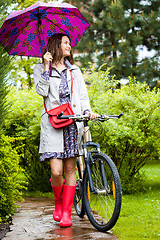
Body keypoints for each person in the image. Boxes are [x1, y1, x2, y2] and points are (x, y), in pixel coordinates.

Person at [34, 33, 98, 228]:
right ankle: (58, 202)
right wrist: (46, 67)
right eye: (65, 43)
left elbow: (82, 95)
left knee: (70, 169)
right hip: (54, 123)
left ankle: (67, 213)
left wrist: (87, 111)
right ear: (56, 45)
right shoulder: (40, 67)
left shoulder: (74, 70)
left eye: (69, 43)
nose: (69, 46)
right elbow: (41, 92)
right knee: (56, 171)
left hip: (72, 123)